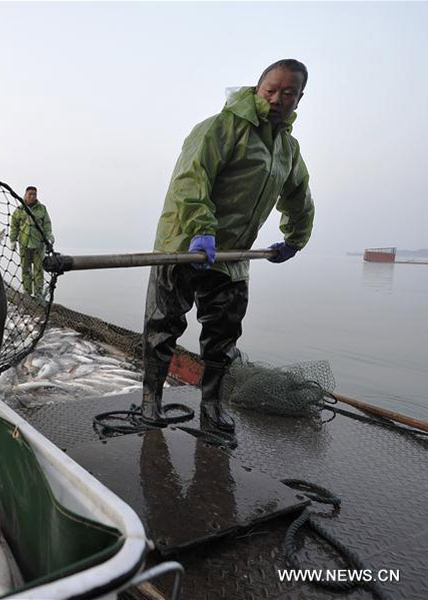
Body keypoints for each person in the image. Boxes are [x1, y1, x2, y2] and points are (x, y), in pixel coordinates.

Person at [141, 59, 315, 432]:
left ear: (299, 99)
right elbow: (191, 180)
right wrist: (201, 229)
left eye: (288, 93)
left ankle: (212, 406)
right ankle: (150, 401)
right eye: (271, 90)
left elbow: (299, 195)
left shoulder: (287, 149)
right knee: (163, 327)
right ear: (257, 89)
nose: (277, 99)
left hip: (233, 256)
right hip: (184, 245)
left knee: (223, 335)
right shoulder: (220, 128)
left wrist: (295, 239)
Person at [9, 186, 54, 298]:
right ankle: (27, 293)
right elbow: (14, 226)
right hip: (24, 244)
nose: (32, 196)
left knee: (38, 270)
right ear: (25, 195)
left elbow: (47, 225)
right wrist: (12, 240)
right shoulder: (19, 210)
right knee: (26, 269)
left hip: (39, 244)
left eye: (34, 194)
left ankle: (38, 294)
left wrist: (49, 237)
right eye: (30, 194)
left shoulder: (42, 209)